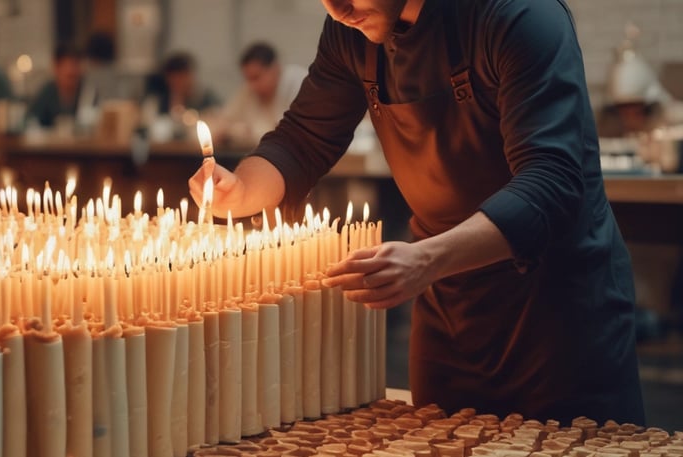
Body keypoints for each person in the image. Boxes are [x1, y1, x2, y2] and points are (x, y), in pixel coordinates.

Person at [191, 0, 645, 424]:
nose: (337, 8)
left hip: (556, 320)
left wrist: (427, 258)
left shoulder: (519, 15)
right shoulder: (352, 30)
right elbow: (302, 139)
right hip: (448, 315)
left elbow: (551, 181)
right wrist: (242, 190)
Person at [218, 42, 307, 144]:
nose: (252, 85)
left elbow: (293, 131)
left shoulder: (298, 82)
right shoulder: (249, 88)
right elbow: (224, 121)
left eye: (256, 77)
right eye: (248, 79)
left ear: (275, 69)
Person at [28, 43, 84, 128]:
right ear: (56, 68)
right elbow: (31, 120)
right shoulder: (47, 92)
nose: (73, 70)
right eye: (69, 75)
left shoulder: (87, 92)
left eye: (76, 65)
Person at [149, 52, 221, 115]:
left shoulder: (208, 99)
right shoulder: (159, 101)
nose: (179, 84)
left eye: (182, 78)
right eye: (174, 80)